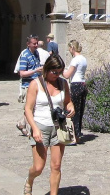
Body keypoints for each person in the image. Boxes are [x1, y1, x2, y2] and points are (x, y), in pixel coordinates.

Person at [24, 54, 74, 195]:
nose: (57, 75)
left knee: (56, 166)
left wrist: (71, 107)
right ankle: (30, 179)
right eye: (54, 72)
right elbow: (28, 109)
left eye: (59, 72)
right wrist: (34, 129)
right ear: (47, 69)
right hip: (40, 126)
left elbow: (68, 102)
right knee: (38, 167)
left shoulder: (63, 84)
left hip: (59, 128)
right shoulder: (36, 84)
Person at [16, 35, 43, 136]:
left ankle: (21, 123)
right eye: (34, 44)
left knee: (33, 106)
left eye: (37, 43)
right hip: (28, 85)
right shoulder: (25, 55)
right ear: (28, 44)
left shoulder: (36, 53)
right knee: (30, 107)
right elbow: (22, 73)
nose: (36, 45)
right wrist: (35, 70)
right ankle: (31, 128)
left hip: (36, 83)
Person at [64, 40, 87, 143]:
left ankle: (74, 136)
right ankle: (78, 134)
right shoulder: (83, 59)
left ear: (72, 48)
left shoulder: (75, 60)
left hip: (76, 85)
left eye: (69, 48)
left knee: (73, 110)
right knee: (80, 111)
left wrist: (60, 70)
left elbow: (67, 75)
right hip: (83, 84)